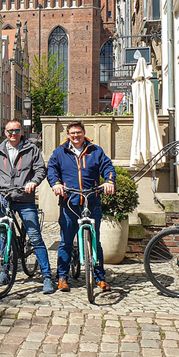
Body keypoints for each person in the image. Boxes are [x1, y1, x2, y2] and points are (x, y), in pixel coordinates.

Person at [0, 120, 55, 295]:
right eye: (10, 131)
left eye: (16, 130)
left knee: (35, 236)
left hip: (24, 197)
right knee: (4, 235)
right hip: (5, 197)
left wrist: (33, 182)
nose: (13, 133)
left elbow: (40, 170)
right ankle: (4, 272)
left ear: (20, 132)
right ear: (5, 132)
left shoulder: (31, 149)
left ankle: (46, 276)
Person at [47, 121, 116, 292]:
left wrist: (109, 181)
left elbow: (107, 167)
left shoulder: (95, 150)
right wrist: (56, 184)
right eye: (72, 133)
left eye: (79, 132)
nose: (76, 136)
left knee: (95, 242)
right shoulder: (60, 151)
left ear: (84, 133)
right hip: (69, 201)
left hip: (92, 200)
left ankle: (99, 277)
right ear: (68, 135)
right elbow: (52, 169)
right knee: (66, 242)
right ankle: (62, 277)